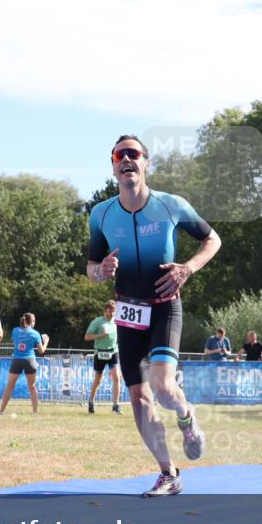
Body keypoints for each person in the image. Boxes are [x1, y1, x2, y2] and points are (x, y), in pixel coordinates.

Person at [86, 134, 221, 497]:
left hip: (164, 307)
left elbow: (213, 240)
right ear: (113, 166)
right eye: (119, 155)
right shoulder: (101, 214)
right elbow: (91, 267)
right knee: (138, 398)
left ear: (146, 163)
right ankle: (168, 473)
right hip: (128, 314)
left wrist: (187, 269)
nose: (126, 160)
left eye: (133, 154)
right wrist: (101, 271)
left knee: (162, 387)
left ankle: (186, 416)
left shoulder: (170, 205)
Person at [0, 312, 49, 415]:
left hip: (17, 360)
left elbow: (16, 344)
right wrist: (46, 341)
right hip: (30, 360)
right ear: (32, 322)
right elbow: (41, 351)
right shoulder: (35, 333)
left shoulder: (15, 330)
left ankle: (1, 411)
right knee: (32, 387)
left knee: (9, 386)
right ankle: (35, 412)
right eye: (34, 321)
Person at [85, 300, 123, 414]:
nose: (112, 313)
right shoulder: (97, 322)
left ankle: (115, 405)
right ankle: (91, 401)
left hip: (113, 352)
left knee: (116, 377)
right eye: (110, 310)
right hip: (100, 352)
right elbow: (87, 337)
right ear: (105, 310)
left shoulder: (118, 321)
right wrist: (100, 335)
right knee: (98, 380)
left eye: (114, 310)